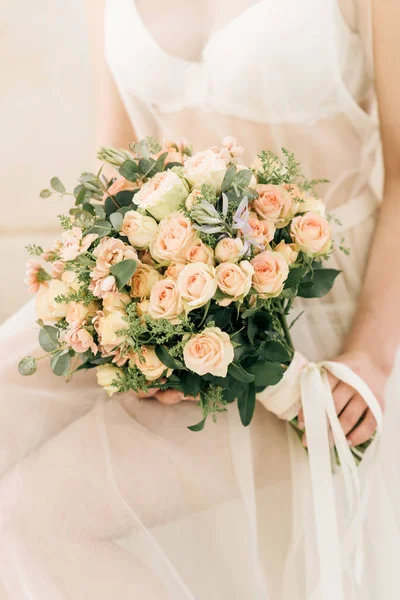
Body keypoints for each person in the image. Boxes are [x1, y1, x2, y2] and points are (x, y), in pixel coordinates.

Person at [0, 0, 399, 598]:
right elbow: (120, 162)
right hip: (168, 292)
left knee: (43, 514)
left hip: (318, 314)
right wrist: (130, 331)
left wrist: (372, 353)